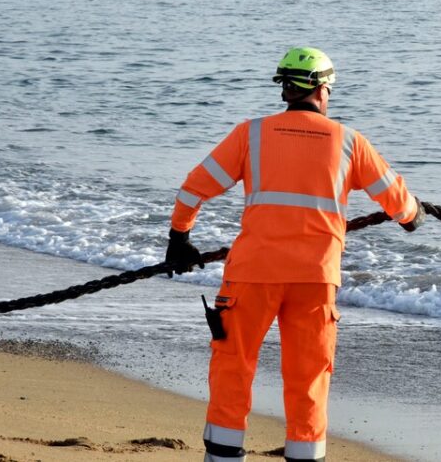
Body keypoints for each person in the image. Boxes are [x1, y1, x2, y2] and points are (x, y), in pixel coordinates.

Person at [165, 47, 425, 462]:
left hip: (252, 274)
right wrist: (414, 215)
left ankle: (223, 457)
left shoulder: (250, 134)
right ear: (323, 90)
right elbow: (399, 204)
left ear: (285, 89)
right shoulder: (349, 142)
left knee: (234, 366)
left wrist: (180, 237)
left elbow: (194, 187)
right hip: (315, 280)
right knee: (309, 378)